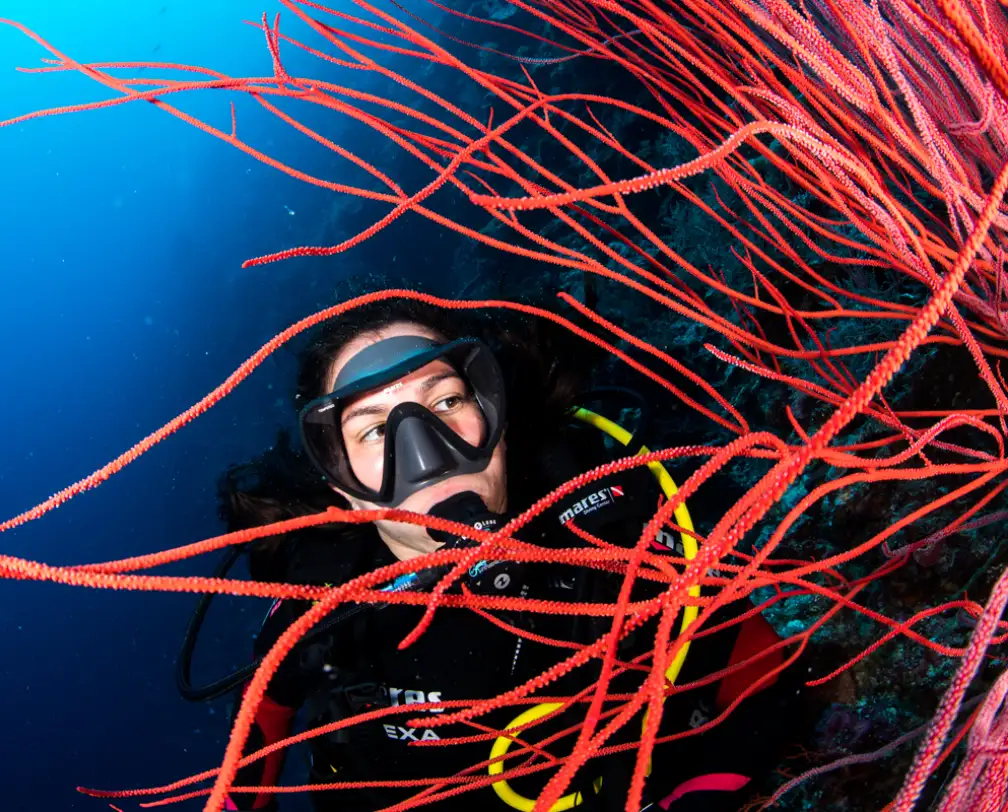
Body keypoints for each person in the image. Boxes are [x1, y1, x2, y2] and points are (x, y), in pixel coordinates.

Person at [208, 297, 803, 812]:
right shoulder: (318, 610)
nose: (426, 455)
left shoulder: (614, 524)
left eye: (444, 403)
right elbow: (247, 772)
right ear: (340, 486)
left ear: (494, 415)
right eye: (373, 430)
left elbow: (760, 669)